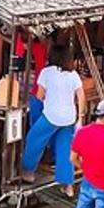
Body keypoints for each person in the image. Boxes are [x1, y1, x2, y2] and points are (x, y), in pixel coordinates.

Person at [21, 45, 84, 196]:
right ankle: (68, 186)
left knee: (34, 139)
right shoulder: (73, 75)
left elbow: (39, 96)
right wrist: (80, 117)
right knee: (65, 149)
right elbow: (81, 96)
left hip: (52, 116)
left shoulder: (46, 73)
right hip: (69, 117)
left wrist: (33, 113)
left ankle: (28, 172)